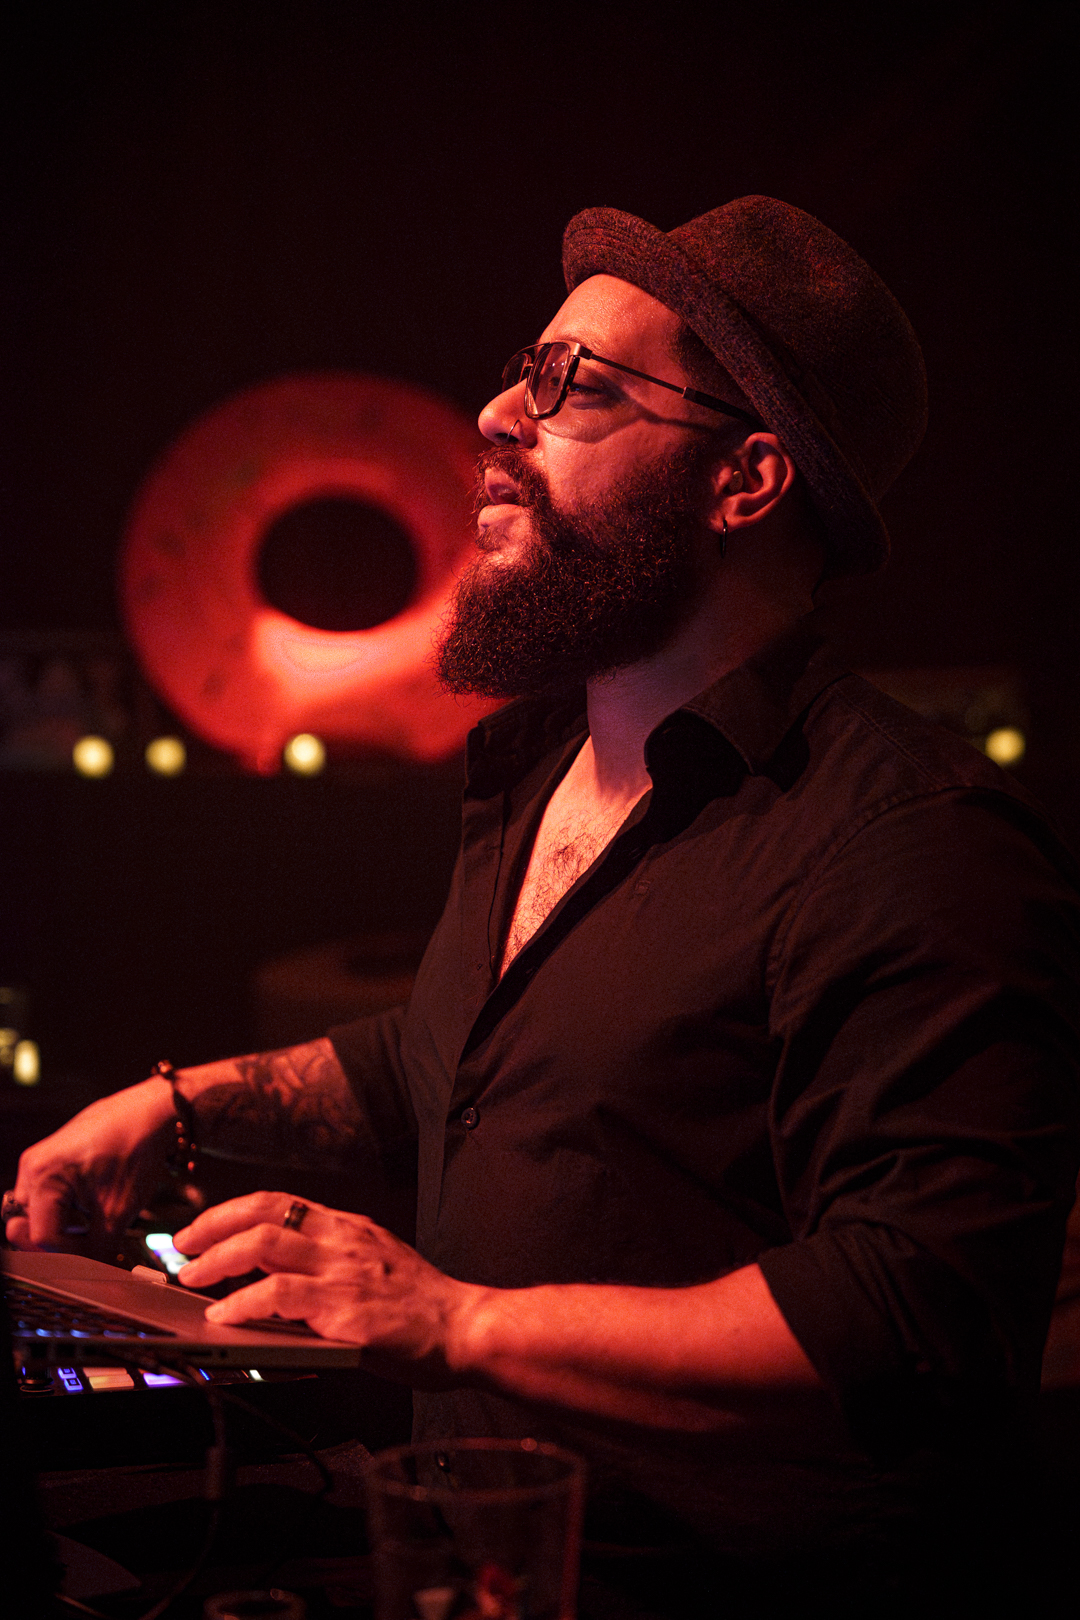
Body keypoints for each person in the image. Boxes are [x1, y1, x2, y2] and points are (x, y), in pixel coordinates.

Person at [7, 197, 1080, 1613]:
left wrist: (454, 1321)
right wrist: (175, 1105)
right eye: (527, 367)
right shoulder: (535, 766)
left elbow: (913, 1312)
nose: (498, 414)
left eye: (576, 383)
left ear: (747, 480)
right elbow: (458, 1063)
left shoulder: (911, 837)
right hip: (473, 1559)